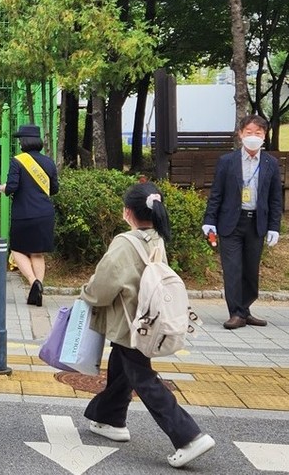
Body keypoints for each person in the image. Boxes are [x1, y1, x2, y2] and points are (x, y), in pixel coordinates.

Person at [80, 182, 216, 468]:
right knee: (122, 368)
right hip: (149, 321)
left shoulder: (125, 242)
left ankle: (188, 436)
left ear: (127, 212)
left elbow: (104, 285)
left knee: (143, 378)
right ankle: (110, 418)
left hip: (131, 323)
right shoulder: (157, 238)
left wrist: (86, 293)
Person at [203, 115, 282, 329]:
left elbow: (276, 198)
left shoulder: (271, 163)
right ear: (240, 134)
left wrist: (274, 226)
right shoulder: (227, 162)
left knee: (250, 270)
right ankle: (236, 313)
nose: (253, 137)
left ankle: (245, 309)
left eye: (258, 133)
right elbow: (216, 194)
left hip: (256, 223)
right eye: (249, 132)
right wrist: (209, 220)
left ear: (264, 136)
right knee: (233, 269)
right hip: (231, 223)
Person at [0, 124, 59, 307]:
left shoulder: (17, 161)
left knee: (17, 249)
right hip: (45, 213)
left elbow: (12, 187)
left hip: (24, 214)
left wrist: (4, 187)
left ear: (24, 141)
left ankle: (33, 282)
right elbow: (54, 189)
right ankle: (39, 287)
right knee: (37, 253)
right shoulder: (49, 162)